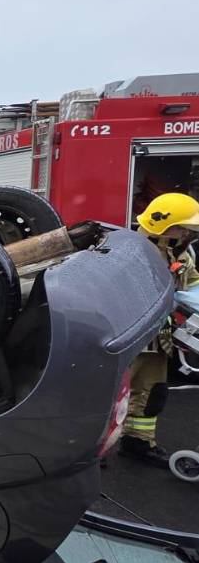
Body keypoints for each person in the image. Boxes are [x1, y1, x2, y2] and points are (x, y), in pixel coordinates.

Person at [124, 193, 199, 466]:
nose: (186, 232)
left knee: (152, 390)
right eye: (182, 227)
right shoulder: (130, 250)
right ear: (163, 224)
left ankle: (138, 441)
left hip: (157, 336)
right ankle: (88, 451)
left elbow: (192, 287)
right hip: (126, 334)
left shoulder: (178, 253)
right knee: (109, 394)